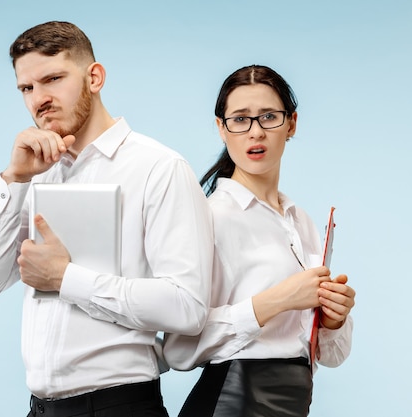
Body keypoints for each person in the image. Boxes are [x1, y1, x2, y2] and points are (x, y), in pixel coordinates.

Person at [0, 21, 213, 417]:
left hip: (120, 406)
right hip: (40, 409)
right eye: (27, 88)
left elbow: (188, 307)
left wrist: (66, 279)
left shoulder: (159, 168)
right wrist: (14, 180)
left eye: (52, 79)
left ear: (94, 77)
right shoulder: (35, 170)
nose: (38, 100)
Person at [162, 65, 356, 417]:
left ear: (291, 124)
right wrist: (276, 301)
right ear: (221, 128)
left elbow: (332, 356)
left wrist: (333, 320)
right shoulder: (208, 218)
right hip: (232, 402)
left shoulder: (301, 222)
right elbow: (178, 347)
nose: (256, 132)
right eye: (240, 119)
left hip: (293, 401)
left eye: (269, 117)